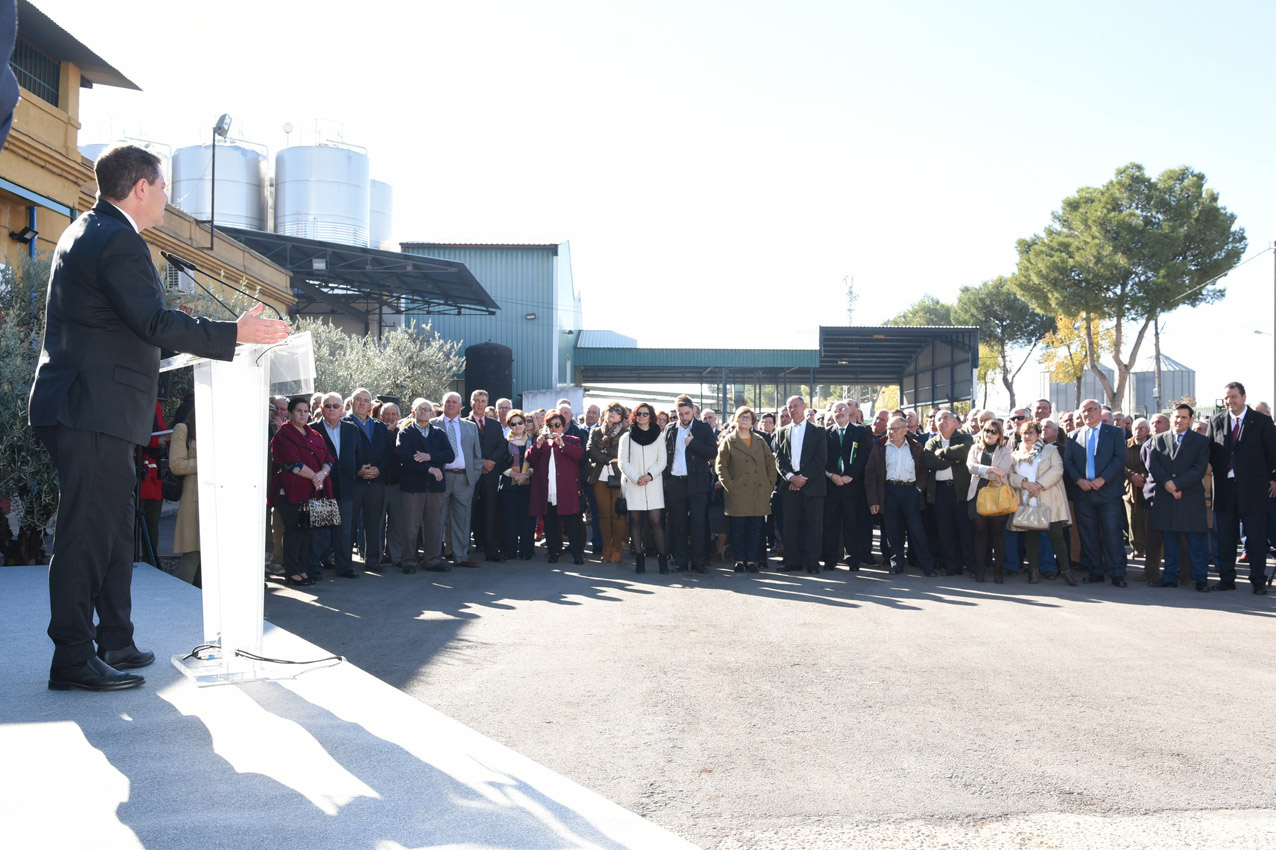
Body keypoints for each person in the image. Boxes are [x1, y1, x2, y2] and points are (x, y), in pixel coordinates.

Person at [28, 143, 287, 692]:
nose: (168, 198)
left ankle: (114, 640)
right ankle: (72, 656)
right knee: (85, 535)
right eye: (164, 187)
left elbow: (128, 323)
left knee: (115, 531)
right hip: (90, 409)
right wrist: (231, 333)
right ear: (141, 187)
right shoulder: (118, 239)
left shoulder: (89, 230)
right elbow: (150, 321)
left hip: (91, 407)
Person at [1208, 381, 1276, 593]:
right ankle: (1227, 579)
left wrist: (1273, 478)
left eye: (1234, 396)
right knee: (1226, 538)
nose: (1230, 401)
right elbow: (1210, 452)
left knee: (1256, 539)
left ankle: (1258, 581)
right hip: (1225, 489)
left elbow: (1273, 453)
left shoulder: (1262, 422)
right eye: (1227, 397)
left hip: (1254, 490)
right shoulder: (1216, 421)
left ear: (1244, 397)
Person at [1146, 403, 1213, 592]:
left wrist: (1178, 484)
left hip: (1190, 496)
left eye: (1184, 417)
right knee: (1170, 539)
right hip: (1166, 496)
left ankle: (1200, 579)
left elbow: (1199, 468)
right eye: (1176, 416)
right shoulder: (1158, 439)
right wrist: (1168, 483)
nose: (1179, 420)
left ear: (1190, 420)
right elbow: (1154, 465)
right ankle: (1170, 577)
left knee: (1196, 542)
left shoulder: (1200, 441)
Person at [1065, 398, 1130, 587]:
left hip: (1108, 492)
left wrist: (1103, 479)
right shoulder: (1073, 435)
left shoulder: (1115, 432)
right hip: (1084, 493)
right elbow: (1068, 462)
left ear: (1100, 411)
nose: (1087, 414)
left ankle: (1117, 573)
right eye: (1084, 411)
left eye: (1091, 410)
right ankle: (1095, 570)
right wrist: (1079, 480)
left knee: (1112, 533)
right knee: (1089, 534)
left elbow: (1119, 459)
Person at [270, 397, 333, 588]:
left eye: (306, 411)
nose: (303, 414)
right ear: (290, 413)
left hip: (314, 491)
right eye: (299, 411)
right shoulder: (283, 434)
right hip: (290, 492)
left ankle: (303, 568)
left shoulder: (315, 434)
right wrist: (315, 475)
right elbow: (290, 462)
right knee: (295, 531)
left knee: (308, 532)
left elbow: (329, 458)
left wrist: (322, 473)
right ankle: (292, 572)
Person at [1009, 420, 1077, 585]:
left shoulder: (1050, 450)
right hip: (1027, 500)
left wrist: (1038, 485)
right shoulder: (1016, 454)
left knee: (1056, 536)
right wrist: (1024, 484)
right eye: (1025, 433)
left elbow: (1057, 470)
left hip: (1048, 499)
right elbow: (1010, 475)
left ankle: (1066, 570)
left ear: (1038, 435)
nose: (1027, 436)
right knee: (1031, 537)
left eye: (1031, 433)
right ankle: (1033, 571)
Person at [865, 415, 935, 576]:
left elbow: (924, 471)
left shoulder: (916, 447)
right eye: (889, 428)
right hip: (889, 490)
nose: (891, 432)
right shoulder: (880, 447)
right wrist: (874, 500)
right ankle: (896, 563)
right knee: (892, 530)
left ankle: (926, 564)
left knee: (916, 529)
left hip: (910, 491)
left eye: (895, 429)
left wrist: (918, 489)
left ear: (905, 430)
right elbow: (870, 475)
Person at [715, 406, 777, 573]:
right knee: (737, 529)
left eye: (748, 417)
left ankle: (751, 560)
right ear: (736, 419)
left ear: (753, 422)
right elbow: (721, 467)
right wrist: (730, 485)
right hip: (737, 492)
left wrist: (769, 483)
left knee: (755, 529)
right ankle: (739, 560)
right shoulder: (729, 441)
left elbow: (771, 463)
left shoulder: (759, 441)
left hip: (758, 491)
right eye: (742, 417)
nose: (744, 420)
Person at [398, 398, 454, 573]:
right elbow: (406, 457)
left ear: (432, 413)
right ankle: (408, 561)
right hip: (413, 488)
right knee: (411, 526)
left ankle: (432, 560)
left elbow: (449, 455)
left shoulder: (439, 433)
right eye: (420, 409)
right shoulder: (406, 433)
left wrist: (429, 456)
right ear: (413, 412)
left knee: (434, 526)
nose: (423, 412)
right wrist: (430, 468)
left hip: (435, 488)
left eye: (427, 409)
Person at [663, 394, 718, 574]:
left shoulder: (703, 428)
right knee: (678, 524)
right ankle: (680, 561)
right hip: (676, 483)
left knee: (698, 523)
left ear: (693, 411)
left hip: (697, 483)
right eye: (681, 414)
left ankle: (699, 562)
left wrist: (693, 443)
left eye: (687, 413)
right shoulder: (670, 429)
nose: (684, 417)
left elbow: (712, 452)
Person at [774, 396, 828, 575]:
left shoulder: (818, 431)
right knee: (790, 525)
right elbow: (779, 459)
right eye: (790, 407)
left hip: (812, 485)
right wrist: (791, 477)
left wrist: (802, 478)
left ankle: (812, 562)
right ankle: (792, 561)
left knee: (814, 525)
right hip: (790, 486)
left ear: (804, 407)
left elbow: (821, 458)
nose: (793, 409)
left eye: (796, 406)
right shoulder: (782, 431)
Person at [315, 392, 365, 579]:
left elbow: (358, 455)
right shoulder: (313, 429)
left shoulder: (352, 429)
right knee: (320, 528)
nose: (332, 409)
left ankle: (344, 567)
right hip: (322, 486)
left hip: (346, 485)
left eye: (336, 406)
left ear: (343, 408)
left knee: (343, 529)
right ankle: (317, 566)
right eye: (328, 406)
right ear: (321, 408)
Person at [344, 388, 394, 571]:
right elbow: (342, 453)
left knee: (374, 523)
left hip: (376, 482)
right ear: (351, 402)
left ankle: (373, 559)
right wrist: (357, 470)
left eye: (366, 400)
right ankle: (345, 562)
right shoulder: (344, 424)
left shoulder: (379, 426)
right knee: (348, 524)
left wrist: (379, 469)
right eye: (358, 399)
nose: (362, 403)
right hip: (354, 482)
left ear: (371, 405)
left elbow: (389, 452)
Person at [922, 410, 976, 577]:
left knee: (965, 530)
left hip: (960, 491)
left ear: (954, 421)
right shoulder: (932, 442)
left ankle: (972, 567)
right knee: (945, 531)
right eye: (939, 419)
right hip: (940, 491)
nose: (942, 421)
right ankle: (952, 566)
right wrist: (953, 459)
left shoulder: (965, 438)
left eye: (946, 418)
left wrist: (943, 453)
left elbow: (965, 451)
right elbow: (929, 461)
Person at [527, 411, 585, 564]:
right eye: (550, 425)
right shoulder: (542, 442)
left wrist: (563, 444)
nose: (554, 428)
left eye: (557, 425)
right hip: (548, 491)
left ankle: (577, 555)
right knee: (551, 525)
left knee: (572, 525)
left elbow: (579, 455)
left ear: (563, 426)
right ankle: (553, 553)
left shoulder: (572, 440)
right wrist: (537, 446)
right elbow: (530, 458)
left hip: (566, 491)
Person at [433, 392, 483, 568]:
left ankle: (461, 556)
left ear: (461, 406)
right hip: (440, 478)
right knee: (436, 518)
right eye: (448, 402)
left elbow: (477, 456)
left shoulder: (470, 427)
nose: (451, 404)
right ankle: (434, 556)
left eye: (455, 402)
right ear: (442, 404)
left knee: (462, 519)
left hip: (464, 478)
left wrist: (474, 475)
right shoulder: (433, 424)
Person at [822, 400, 872, 570]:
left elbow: (864, 456)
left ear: (849, 411)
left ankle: (853, 558)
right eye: (836, 410)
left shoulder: (860, 431)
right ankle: (831, 558)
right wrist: (832, 475)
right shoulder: (826, 433)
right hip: (832, 485)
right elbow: (823, 459)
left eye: (842, 409)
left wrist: (851, 476)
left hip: (853, 486)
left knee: (853, 523)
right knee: (831, 524)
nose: (839, 413)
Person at [619, 402, 668, 574]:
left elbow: (662, 461)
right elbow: (622, 462)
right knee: (635, 521)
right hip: (634, 484)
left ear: (651, 416)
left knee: (656, 521)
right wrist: (636, 477)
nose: (641, 416)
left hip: (653, 483)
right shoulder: (627, 437)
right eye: (638, 413)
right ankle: (639, 559)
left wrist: (649, 475)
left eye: (645, 414)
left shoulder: (659, 436)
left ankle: (663, 560)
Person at [966, 417, 1013, 582]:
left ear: (999, 434)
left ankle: (998, 569)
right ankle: (980, 569)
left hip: (997, 496)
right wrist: (990, 469)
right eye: (986, 430)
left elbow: (1003, 471)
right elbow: (970, 467)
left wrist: (982, 470)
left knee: (998, 533)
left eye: (994, 431)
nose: (989, 434)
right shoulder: (974, 448)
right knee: (979, 533)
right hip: (977, 495)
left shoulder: (1006, 451)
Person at [468, 389, 508, 562]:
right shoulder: (464, 423)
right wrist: (480, 463)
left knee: (491, 512)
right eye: (476, 400)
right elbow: (463, 449)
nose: (479, 403)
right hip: (470, 474)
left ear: (487, 403)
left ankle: (491, 550)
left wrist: (490, 462)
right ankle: (463, 550)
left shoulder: (494, 424)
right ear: (471, 403)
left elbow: (502, 447)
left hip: (491, 475)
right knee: (468, 512)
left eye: (483, 401)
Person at [586, 402, 628, 563]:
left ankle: (617, 549)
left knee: (617, 514)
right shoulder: (596, 431)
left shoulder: (625, 433)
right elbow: (591, 452)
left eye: (618, 411)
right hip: (599, 477)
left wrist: (604, 452)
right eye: (611, 409)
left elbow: (623, 454)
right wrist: (610, 459)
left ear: (621, 417)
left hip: (618, 477)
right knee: (603, 515)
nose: (613, 413)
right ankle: (607, 549)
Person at [169, 404, 201, 586]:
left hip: (219, 500)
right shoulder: (183, 429)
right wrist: (210, 461)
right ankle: (183, 599)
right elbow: (176, 465)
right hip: (193, 499)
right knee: (192, 554)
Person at [498, 409, 536, 561]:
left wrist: (527, 475)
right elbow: (500, 461)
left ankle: (527, 550)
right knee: (510, 520)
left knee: (527, 520)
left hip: (528, 485)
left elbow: (538, 462)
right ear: (509, 426)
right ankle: (510, 550)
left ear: (525, 423)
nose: (517, 426)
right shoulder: (504, 441)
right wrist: (514, 474)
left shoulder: (534, 442)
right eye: (513, 424)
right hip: (509, 485)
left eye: (520, 422)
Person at [372, 401, 403, 569]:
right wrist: (388, 433)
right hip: (379, 484)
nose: (390, 417)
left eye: (394, 414)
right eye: (387, 414)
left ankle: (396, 555)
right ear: (380, 416)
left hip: (398, 484)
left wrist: (392, 434)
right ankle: (375, 556)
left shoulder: (403, 433)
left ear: (398, 417)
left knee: (397, 522)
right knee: (377, 523)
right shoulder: (375, 432)